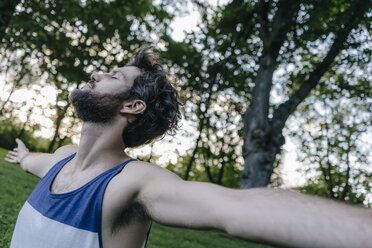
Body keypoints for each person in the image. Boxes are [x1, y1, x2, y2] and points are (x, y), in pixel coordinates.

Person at [5, 46, 372, 248]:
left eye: (114, 76)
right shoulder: (63, 157)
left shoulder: (131, 183)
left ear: (132, 106)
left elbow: (233, 210)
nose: (97, 73)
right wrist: (23, 156)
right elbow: (34, 162)